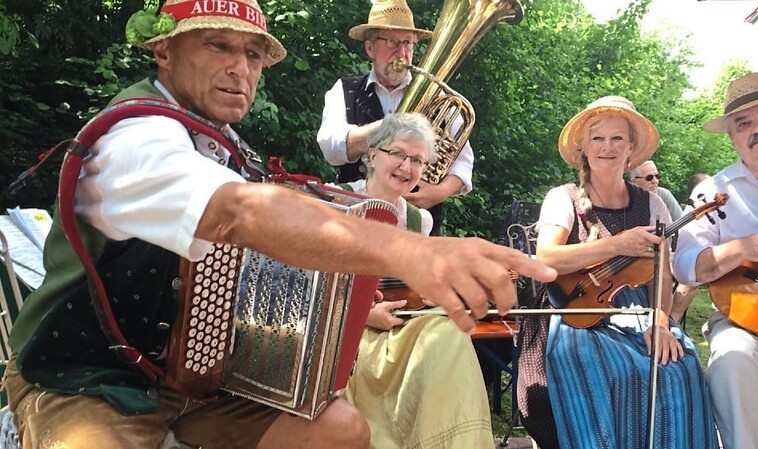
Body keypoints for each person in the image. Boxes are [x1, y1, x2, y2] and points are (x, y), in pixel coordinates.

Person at [2, 2, 557, 449]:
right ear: (164, 51)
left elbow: (271, 240)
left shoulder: (224, 146)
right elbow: (240, 213)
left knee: (343, 430)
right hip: (83, 376)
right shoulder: (136, 137)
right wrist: (408, 251)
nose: (239, 68)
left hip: (194, 382)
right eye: (217, 45)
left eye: (252, 55)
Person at [516, 96, 717, 449]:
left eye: (617, 139)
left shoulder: (652, 203)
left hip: (641, 310)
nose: (606, 147)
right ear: (583, 148)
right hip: (575, 310)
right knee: (613, 370)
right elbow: (545, 258)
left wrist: (661, 323)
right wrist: (616, 245)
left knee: (680, 369)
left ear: (631, 149)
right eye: (598, 138)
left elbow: (661, 278)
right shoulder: (563, 197)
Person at [332, 112, 494, 449]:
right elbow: (310, 285)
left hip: (397, 329)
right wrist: (364, 315)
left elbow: (411, 288)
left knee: (449, 333)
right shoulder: (335, 200)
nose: (407, 168)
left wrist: (436, 295)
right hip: (340, 328)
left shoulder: (420, 220)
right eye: (399, 154)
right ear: (372, 154)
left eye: (418, 160)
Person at [673, 72, 758, 449]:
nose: (757, 128)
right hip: (751, 325)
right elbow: (684, 264)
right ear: (732, 137)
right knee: (731, 360)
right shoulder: (713, 193)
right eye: (743, 124)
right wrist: (744, 247)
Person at [316, 0, 474, 236]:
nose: (401, 53)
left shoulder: (438, 95)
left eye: (408, 43)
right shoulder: (345, 89)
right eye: (392, 42)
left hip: (418, 227)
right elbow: (331, 148)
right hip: (356, 221)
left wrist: (438, 192)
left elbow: (463, 163)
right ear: (370, 48)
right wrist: (390, 127)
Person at [668, 172, 710, 322]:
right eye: (649, 177)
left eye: (656, 176)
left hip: (672, 253)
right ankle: (671, 319)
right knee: (691, 273)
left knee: (693, 273)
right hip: (666, 255)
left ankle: (672, 321)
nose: (654, 180)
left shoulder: (664, 196)